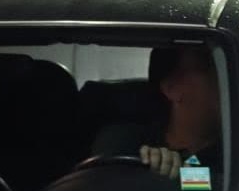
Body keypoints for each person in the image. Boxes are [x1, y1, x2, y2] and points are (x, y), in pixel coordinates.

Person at [92, 45, 222, 179]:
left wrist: (182, 175)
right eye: (208, 67)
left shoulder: (236, 153)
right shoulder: (123, 141)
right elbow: (103, 184)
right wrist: (151, 165)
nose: (223, 76)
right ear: (172, 88)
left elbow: (223, 187)